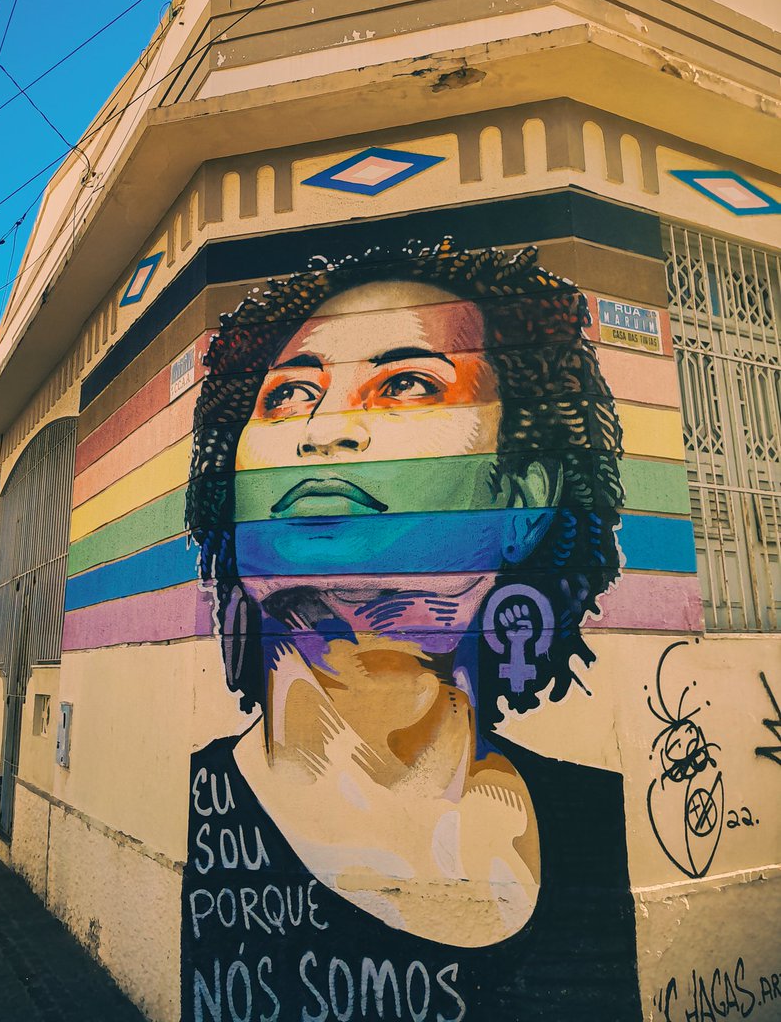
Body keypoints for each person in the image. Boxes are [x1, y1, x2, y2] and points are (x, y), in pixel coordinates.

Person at [182, 238, 640, 1021]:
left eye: (406, 385)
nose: (322, 430)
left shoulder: (598, 820)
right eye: (289, 395)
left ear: (524, 499)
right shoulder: (196, 808)